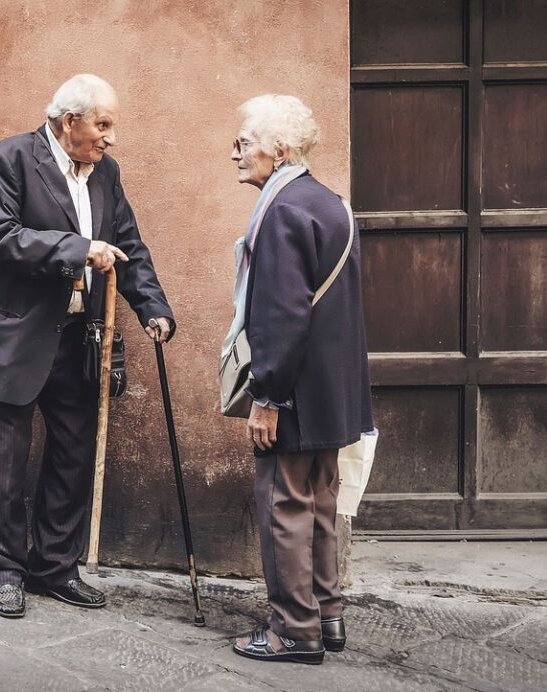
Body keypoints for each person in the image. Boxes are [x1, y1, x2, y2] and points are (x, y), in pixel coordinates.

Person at [0, 74, 175, 619]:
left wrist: (154, 308)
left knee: (73, 459)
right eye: (103, 124)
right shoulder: (7, 160)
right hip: (10, 338)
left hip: (79, 340)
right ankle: (4, 571)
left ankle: (54, 567)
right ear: (69, 120)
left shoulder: (107, 174)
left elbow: (128, 246)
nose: (110, 137)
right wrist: (78, 248)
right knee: (3, 466)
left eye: (111, 125)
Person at [224, 95, 373, 664]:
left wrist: (268, 397)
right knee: (319, 503)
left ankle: (294, 630)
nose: (235, 153)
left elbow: (282, 314)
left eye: (244, 142)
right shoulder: (330, 202)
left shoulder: (282, 209)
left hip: (294, 393)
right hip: (331, 392)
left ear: (278, 150)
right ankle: (327, 616)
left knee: (285, 505)